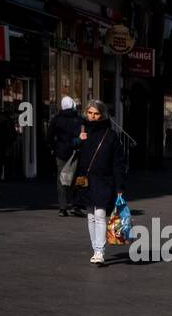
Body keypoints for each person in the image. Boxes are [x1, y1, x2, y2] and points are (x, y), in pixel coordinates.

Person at [76, 99, 127, 265]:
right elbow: (71, 152)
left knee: (99, 215)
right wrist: (78, 141)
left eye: (96, 113)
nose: (92, 117)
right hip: (86, 179)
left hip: (104, 180)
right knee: (90, 215)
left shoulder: (111, 136)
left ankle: (99, 251)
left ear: (102, 115)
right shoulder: (83, 132)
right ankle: (95, 248)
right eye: (90, 113)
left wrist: (119, 186)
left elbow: (118, 163)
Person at [48, 96, 84, 216]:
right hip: (75, 151)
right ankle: (76, 204)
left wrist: (54, 148)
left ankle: (62, 208)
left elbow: (50, 135)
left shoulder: (56, 119)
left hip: (61, 152)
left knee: (61, 179)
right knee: (76, 178)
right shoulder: (78, 119)